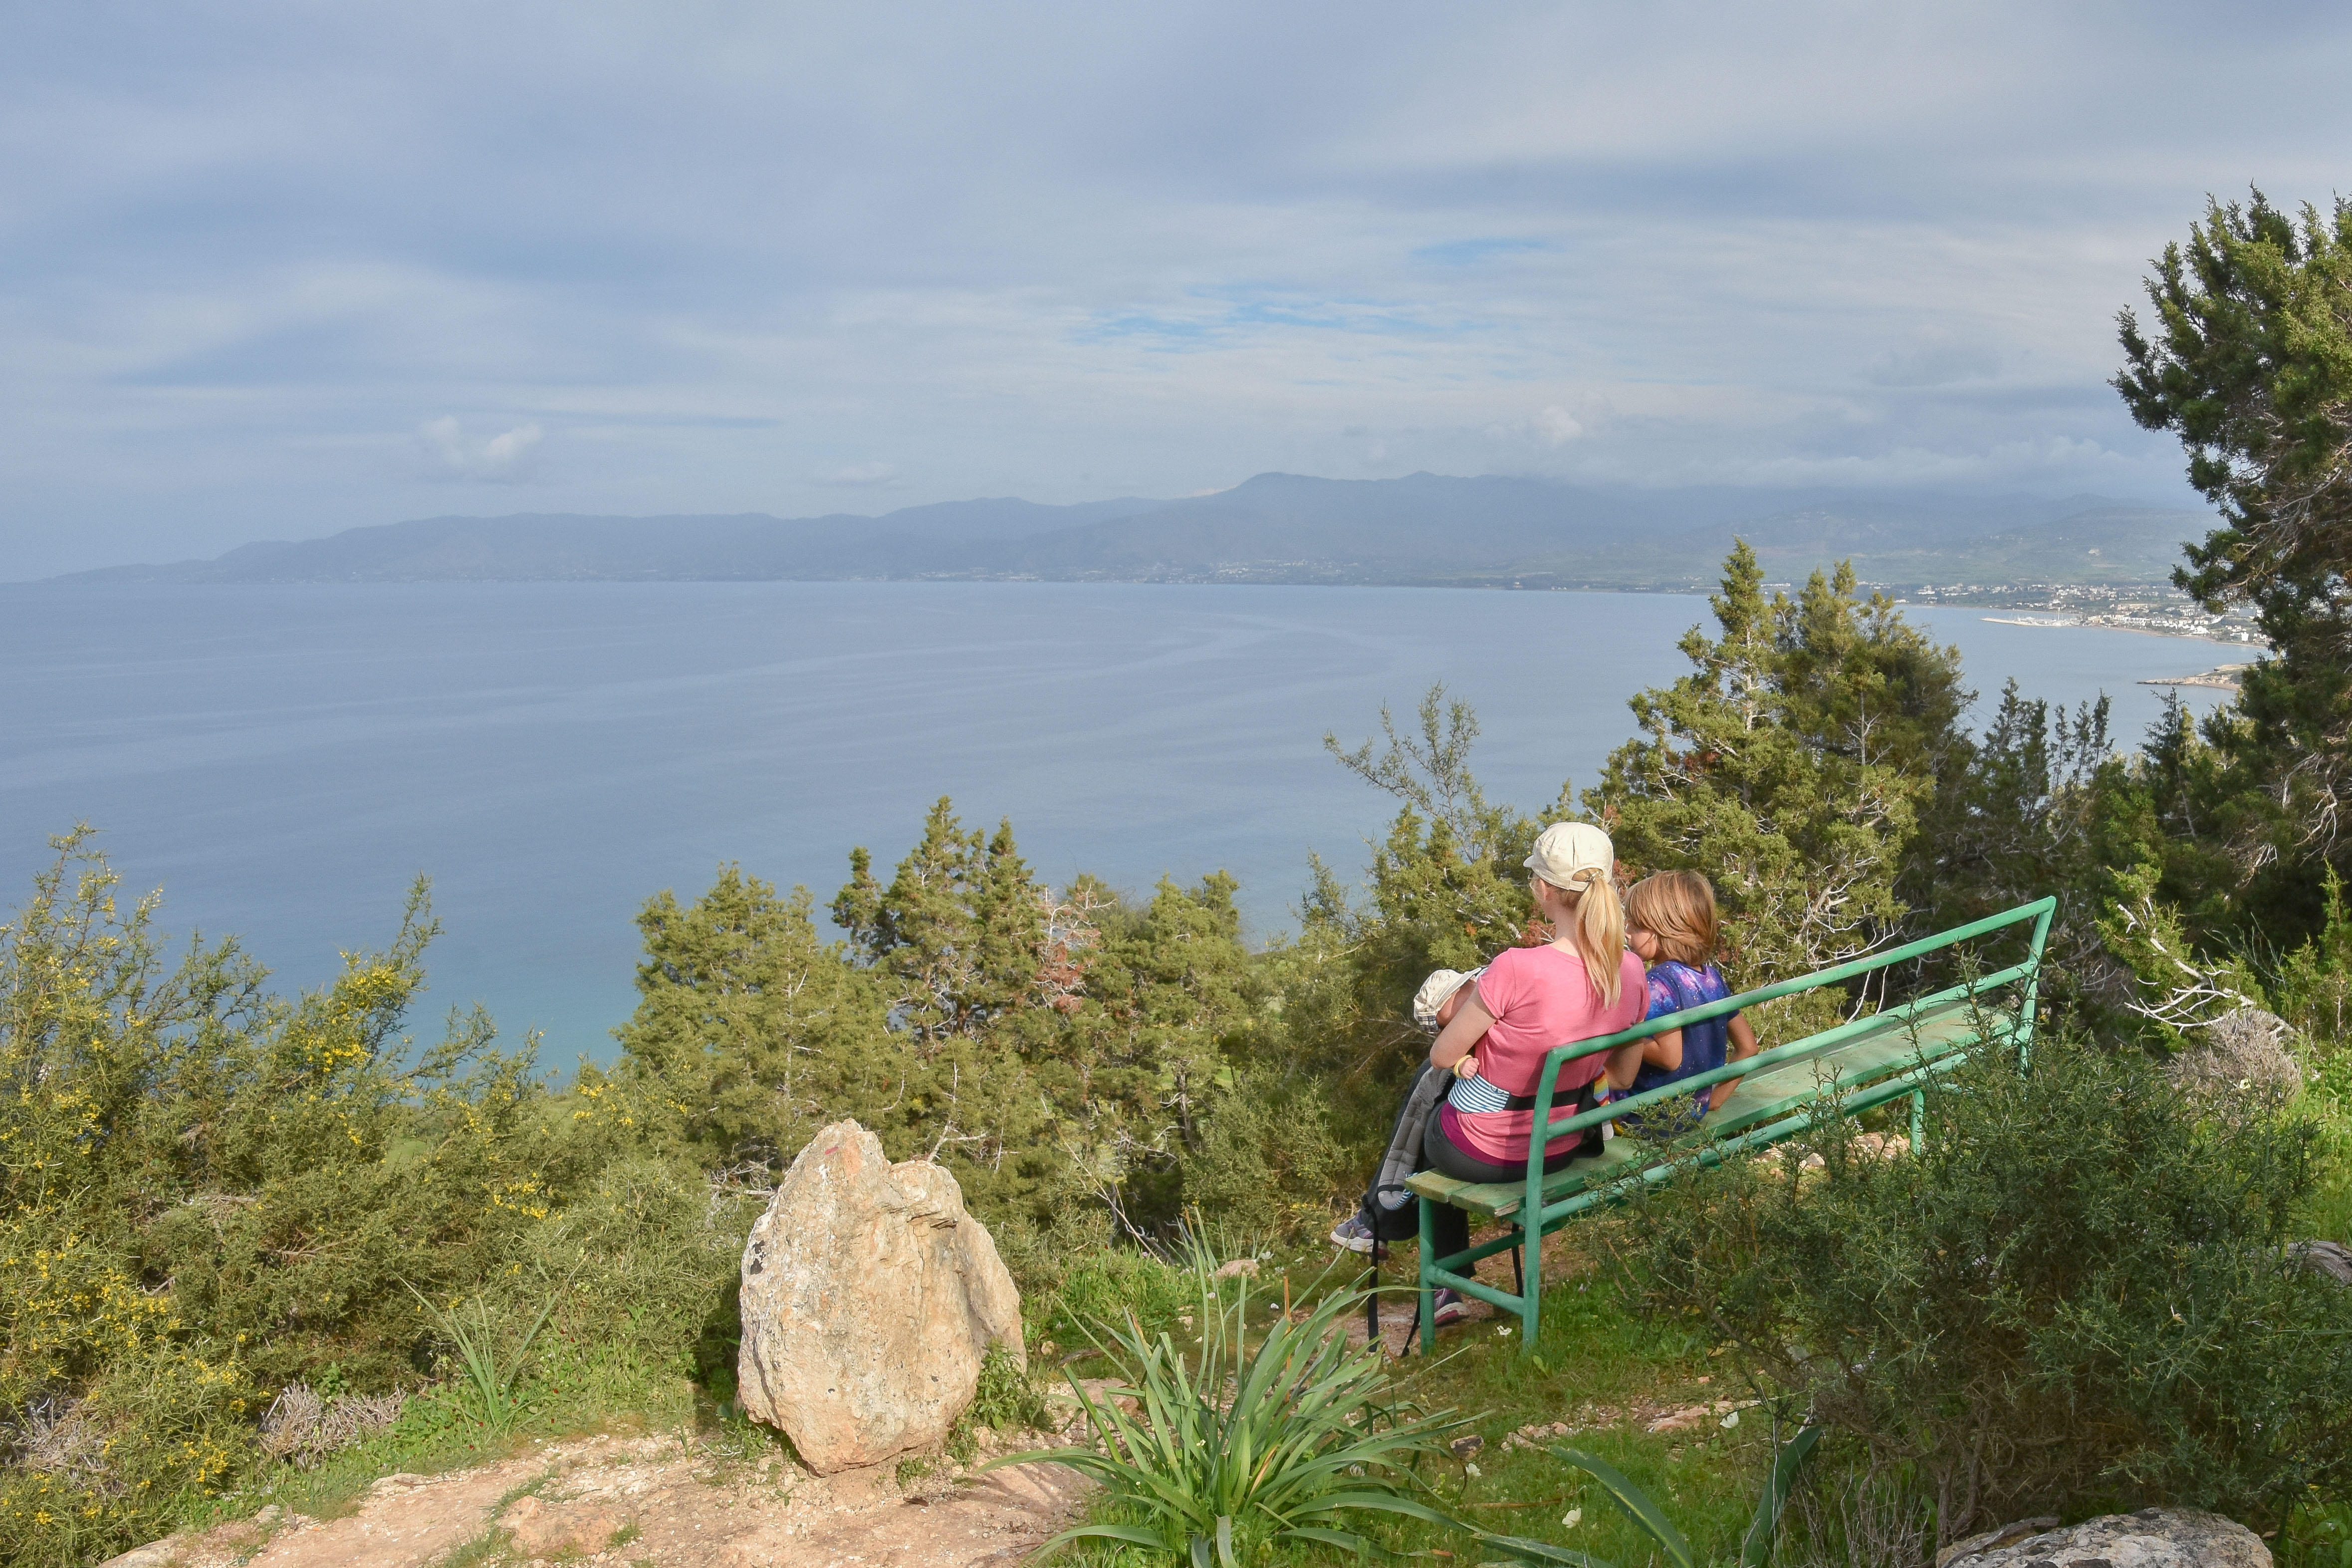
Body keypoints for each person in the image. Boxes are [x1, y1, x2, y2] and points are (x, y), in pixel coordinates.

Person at [1331, 822, 1649, 1324]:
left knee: (1434, 1095)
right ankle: (1390, 1223)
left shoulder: (1517, 967)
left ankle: (1396, 1229)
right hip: (1560, 1144)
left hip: (1487, 1154)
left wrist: (1475, 1055)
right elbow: (1624, 1069)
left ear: (1543, 890)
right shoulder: (1629, 969)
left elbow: (1442, 1052)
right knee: (1451, 1107)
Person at [1618, 871, 1759, 1131]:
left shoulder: (1658, 982)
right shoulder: (1710, 977)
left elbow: (1670, 1058)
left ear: (1663, 930)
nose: (1627, 933)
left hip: (1648, 1117)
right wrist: (1714, 1100)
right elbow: (1748, 1047)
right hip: (1692, 1111)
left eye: (1635, 926)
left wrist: (1622, 1035)